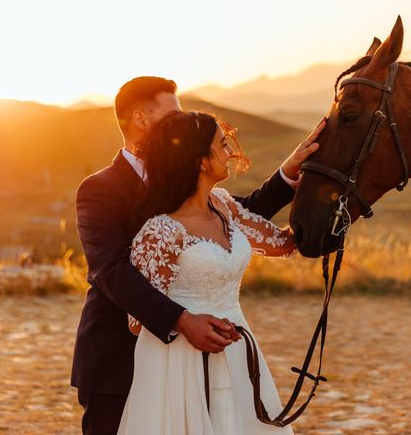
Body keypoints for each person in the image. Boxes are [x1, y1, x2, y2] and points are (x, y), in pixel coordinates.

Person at [73, 76, 325, 434]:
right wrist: (180, 319)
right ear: (141, 119)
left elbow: (237, 219)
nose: (183, 120)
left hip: (219, 353)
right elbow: (109, 270)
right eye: (173, 113)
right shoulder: (100, 189)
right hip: (118, 357)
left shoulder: (210, 198)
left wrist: (288, 176)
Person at [118, 110, 295, 434]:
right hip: (179, 366)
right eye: (222, 144)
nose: (230, 152)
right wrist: (187, 319)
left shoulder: (223, 206)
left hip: (239, 348)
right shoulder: (160, 231)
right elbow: (136, 321)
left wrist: (329, 199)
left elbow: (283, 244)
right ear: (200, 161)